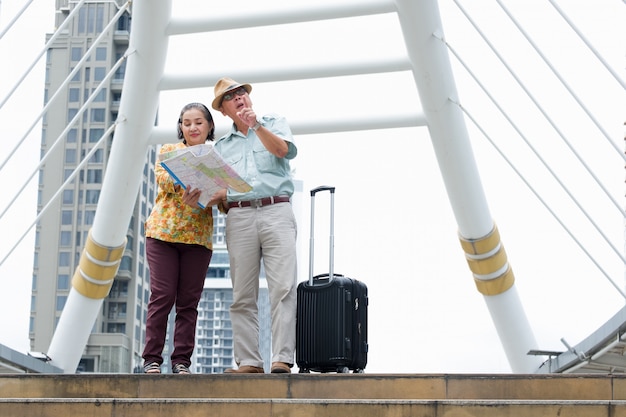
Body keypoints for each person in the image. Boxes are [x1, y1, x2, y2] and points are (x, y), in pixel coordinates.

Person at [210, 77, 298, 374]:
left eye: (240, 93)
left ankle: (282, 358)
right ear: (223, 110)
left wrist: (257, 125)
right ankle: (248, 361)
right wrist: (204, 195)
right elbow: (218, 193)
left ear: (248, 98)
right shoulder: (220, 147)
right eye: (229, 97)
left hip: (276, 210)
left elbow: (282, 151)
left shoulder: (274, 122)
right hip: (239, 216)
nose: (237, 98)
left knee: (283, 287)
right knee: (242, 295)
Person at [142, 102, 221, 375]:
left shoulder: (217, 156)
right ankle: (151, 358)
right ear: (180, 127)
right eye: (186, 123)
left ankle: (181, 362)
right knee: (162, 296)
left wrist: (212, 192)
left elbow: (223, 193)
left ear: (210, 125)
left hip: (197, 239)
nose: (192, 127)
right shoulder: (168, 150)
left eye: (198, 122)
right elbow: (162, 178)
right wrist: (185, 184)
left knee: (188, 303)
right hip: (163, 234)